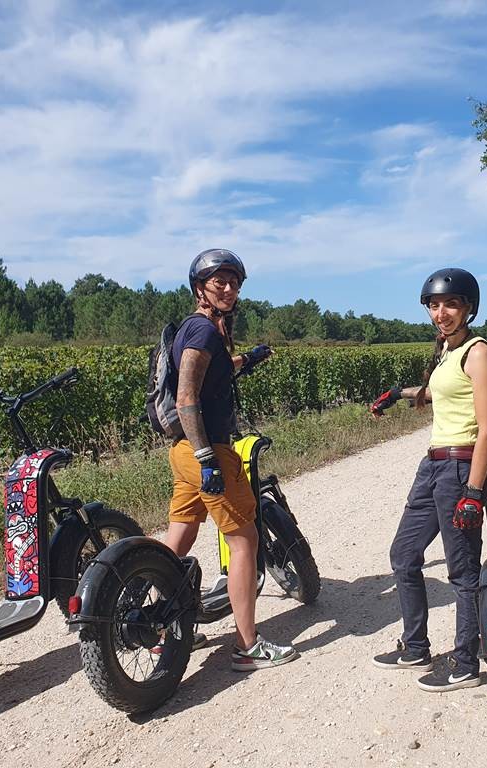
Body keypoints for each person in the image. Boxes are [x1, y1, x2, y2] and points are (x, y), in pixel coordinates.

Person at [163, 248, 298, 671]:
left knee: (178, 539)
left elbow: (211, 374)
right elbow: (187, 397)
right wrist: (207, 457)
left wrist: (249, 359)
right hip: (206, 450)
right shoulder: (203, 331)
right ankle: (247, 646)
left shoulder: (198, 330)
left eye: (234, 282)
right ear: (199, 287)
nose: (228, 288)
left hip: (182, 452)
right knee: (244, 541)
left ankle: (162, 627)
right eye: (219, 281)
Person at [370, 268, 487, 692]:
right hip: (432, 467)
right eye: (434, 305)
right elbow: (437, 393)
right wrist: (397, 394)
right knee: (404, 554)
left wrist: (474, 493)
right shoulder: (447, 350)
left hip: (461, 468)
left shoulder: (478, 352)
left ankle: (465, 663)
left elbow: (486, 428)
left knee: (462, 571)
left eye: (451, 304)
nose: (441, 313)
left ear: (468, 308)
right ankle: (415, 647)